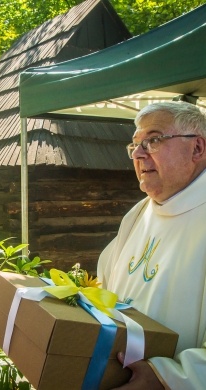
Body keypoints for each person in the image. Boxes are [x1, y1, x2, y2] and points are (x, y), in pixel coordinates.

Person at [97, 101, 206, 389]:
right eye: (135, 145)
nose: (139, 153)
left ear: (197, 148)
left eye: (154, 140)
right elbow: (106, 287)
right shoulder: (137, 214)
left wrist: (166, 377)